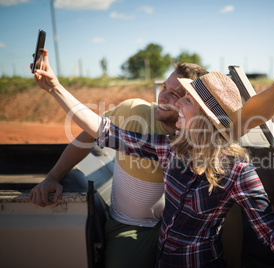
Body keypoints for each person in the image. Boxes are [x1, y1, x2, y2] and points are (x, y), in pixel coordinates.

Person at [32, 42, 274, 267]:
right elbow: (102, 129)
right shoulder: (171, 148)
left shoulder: (239, 172)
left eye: (184, 99)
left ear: (202, 117)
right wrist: (55, 87)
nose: (171, 101)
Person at [29, 53, 208, 267]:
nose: (162, 97)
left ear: (192, 103)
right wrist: (52, 177)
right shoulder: (133, 112)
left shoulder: (201, 137)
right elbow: (91, 132)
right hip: (130, 226)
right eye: (164, 89)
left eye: (174, 94)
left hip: (180, 230)